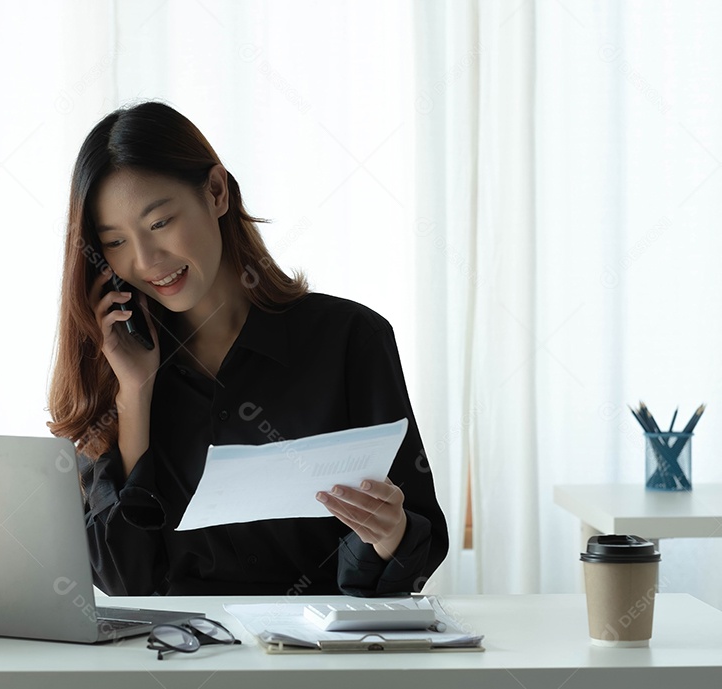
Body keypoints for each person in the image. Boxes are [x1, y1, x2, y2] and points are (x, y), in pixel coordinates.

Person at [48, 101, 447, 596]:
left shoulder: (350, 339)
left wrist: (388, 534)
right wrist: (135, 396)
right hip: (182, 660)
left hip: (322, 662)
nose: (146, 260)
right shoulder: (112, 368)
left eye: (159, 223)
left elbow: (417, 540)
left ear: (216, 192)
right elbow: (125, 580)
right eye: (114, 242)